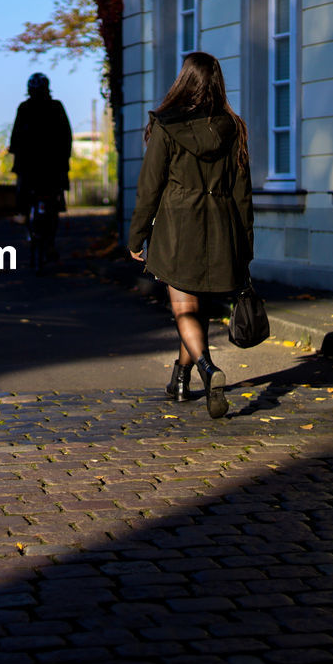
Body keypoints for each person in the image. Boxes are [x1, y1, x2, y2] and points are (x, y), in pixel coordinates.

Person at [128, 52, 254, 419]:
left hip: (177, 227)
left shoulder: (166, 126)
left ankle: (208, 369)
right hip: (220, 226)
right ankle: (181, 379)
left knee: (184, 307)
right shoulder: (233, 127)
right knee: (197, 307)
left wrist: (137, 236)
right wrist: (245, 244)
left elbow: (150, 187)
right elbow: (242, 192)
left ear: (184, 80)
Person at [9, 72, 72, 218]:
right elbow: (66, 135)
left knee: (25, 189)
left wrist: (15, 149)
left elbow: (16, 134)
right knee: (54, 190)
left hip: (32, 163)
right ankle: (54, 205)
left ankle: (23, 213)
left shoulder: (24, 108)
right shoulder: (56, 107)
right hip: (52, 163)